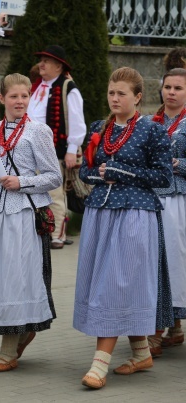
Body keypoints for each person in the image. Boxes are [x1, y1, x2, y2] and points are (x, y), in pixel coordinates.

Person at [74, 67, 173, 389]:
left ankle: (99, 365)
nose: (114, 99)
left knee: (114, 285)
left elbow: (163, 178)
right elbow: (86, 169)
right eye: (111, 93)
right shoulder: (98, 128)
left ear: (138, 97)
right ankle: (141, 352)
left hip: (135, 215)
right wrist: (97, 174)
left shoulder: (152, 130)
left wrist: (124, 171)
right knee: (108, 282)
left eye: (121, 94)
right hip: (100, 214)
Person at [0, 73, 62, 372]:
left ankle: (9, 347)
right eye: (14, 96)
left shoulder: (38, 131)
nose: (19, 101)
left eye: (24, 96)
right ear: (1, 99)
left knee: (17, 277)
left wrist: (22, 182)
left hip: (23, 214)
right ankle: (16, 333)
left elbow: (54, 177)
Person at [27, 45, 87, 249]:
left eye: (46, 61)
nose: (41, 64)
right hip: (33, 148)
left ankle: (57, 234)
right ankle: (41, 230)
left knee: (55, 193)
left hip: (55, 149)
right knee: (34, 192)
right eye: (41, 60)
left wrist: (72, 150)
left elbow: (77, 122)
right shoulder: (37, 87)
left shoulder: (69, 89)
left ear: (58, 66)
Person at [145, 67, 186, 357]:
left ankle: (159, 333)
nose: (171, 92)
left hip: (179, 199)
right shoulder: (149, 121)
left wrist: (176, 164)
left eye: (178, 88)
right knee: (153, 260)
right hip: (151, 201)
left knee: (174, 260)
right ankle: (167, 326)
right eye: (167, 87)